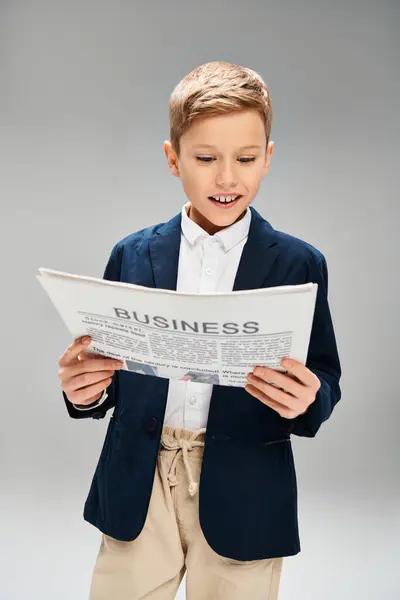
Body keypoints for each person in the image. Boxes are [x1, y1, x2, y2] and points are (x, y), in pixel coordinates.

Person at [57, 61, 341, 600]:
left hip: (247, 485)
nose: (227, 177)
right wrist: (85, 391)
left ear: (268, 160)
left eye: (246, 158)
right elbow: (112, 372)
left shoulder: (299, 263)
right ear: (173, 158)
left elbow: (325, 376)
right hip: (140, 484)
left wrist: (309, 400)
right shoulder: (132, 254)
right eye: (206, 158)